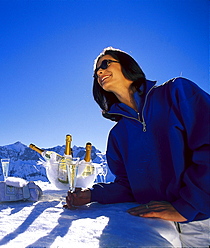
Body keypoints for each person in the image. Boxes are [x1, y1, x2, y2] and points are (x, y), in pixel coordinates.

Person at [65, 47, 210, 246]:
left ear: (128, 65)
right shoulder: (118, 135)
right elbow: (127, 185)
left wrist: (187, 206)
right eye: (96, 71)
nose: (99, 72)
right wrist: (92, 194)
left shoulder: (177, 92)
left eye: (105, 64)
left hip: (202, 217)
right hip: (156, 223)